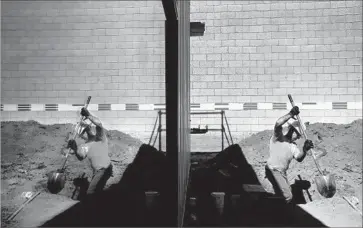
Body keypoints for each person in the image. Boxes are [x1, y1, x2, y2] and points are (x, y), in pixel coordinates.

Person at [265, 105, 314, 204]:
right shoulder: (278, 138)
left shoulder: (293, 146)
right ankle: (264, 205)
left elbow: (299, 158)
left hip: (282, 173)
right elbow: (278, 123)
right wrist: (291, 114)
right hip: (273, 169)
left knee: (283, 194)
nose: (298, 138)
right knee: (288, 196)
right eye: (298, 135)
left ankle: (277, 211)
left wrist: (304, 150)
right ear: (292, 130)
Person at [67, 107, 113, 196]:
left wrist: (88, 115)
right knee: (96, 191)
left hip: (104, 169)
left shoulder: (100, 138)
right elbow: (80, 157)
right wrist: (75, 148)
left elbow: (99, 124)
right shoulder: (86, 145)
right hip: (97, 171)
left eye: (87, 129)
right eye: (84, 131)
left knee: (90, 193)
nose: (87, 131)